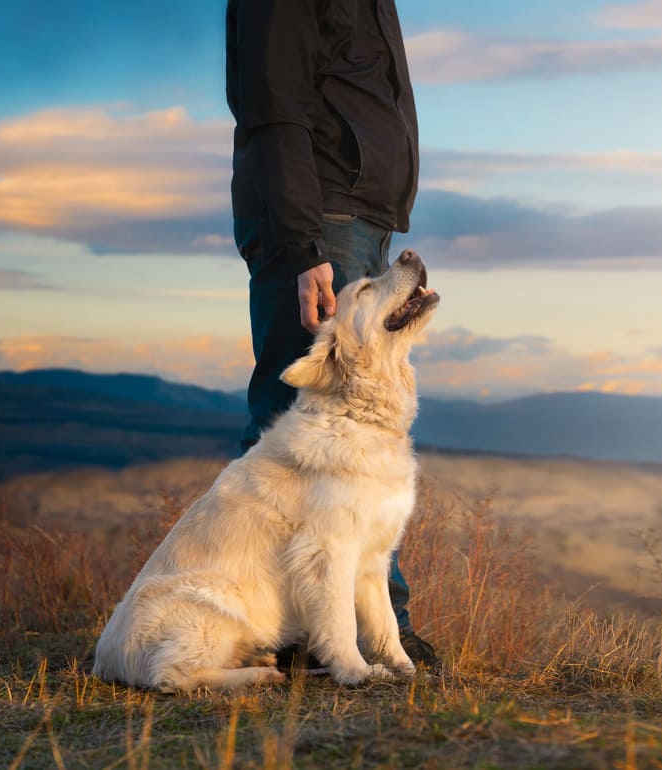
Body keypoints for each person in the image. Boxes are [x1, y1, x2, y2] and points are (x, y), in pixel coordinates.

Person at [225, 0, 437, 669]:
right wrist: (300, 243)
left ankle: (367, 629)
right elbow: (272, 105)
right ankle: (303, 633)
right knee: (300, 430)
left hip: (356, 214)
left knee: (357, 439)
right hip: (319, 217)